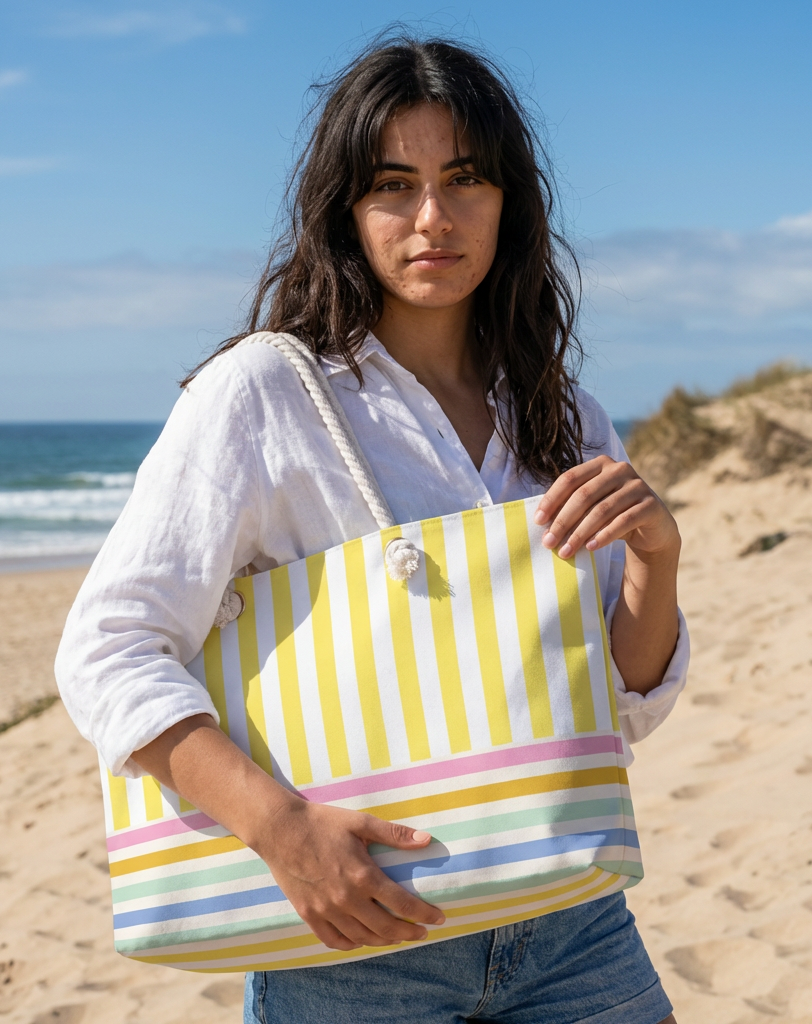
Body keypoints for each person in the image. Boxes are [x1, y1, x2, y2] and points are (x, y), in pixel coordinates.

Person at [56, 34, 688, 1024]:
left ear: (508, 202)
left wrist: (657, 561)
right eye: (394, 184)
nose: (432, 217)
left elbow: (618, 707)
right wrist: (281, 828)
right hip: (356, 944)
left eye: (465, 179)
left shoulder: (562, 414)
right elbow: (107, 646)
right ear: (347, 210)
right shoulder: (268, 392)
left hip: (573, 920)